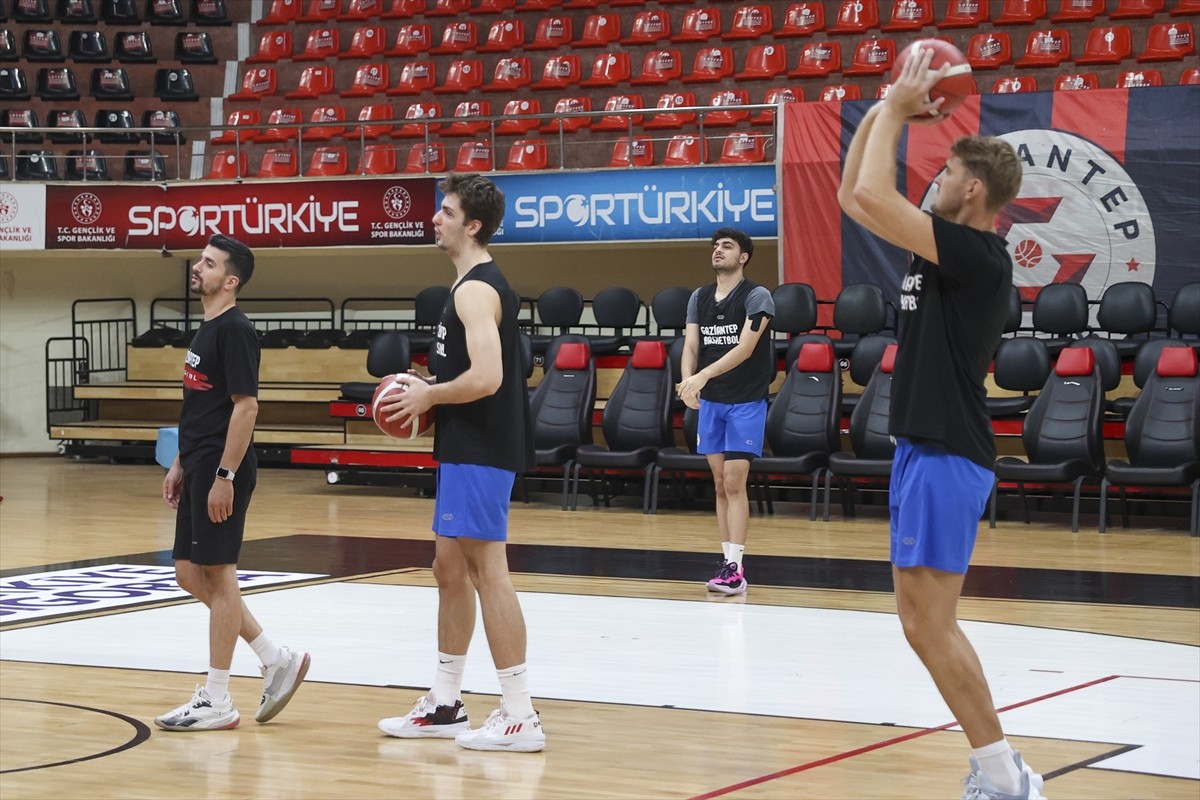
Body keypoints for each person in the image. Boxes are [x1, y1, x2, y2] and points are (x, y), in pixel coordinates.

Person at [837, 49, 1043, 800]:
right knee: (920, 625)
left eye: (947, 174)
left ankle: (1003, 772)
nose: (935, 181)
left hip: (949, 454)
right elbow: (853, 196)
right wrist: (884, 110)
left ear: (974, 189)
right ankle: (1000, 769)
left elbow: (870, 190)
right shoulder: (943, 244)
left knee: (933, 626)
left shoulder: (979, 256)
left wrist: (894, 106)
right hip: (924, 451)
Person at [376, 173, 543, 753]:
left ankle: (519, 713)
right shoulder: (468, 285)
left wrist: (428, 395)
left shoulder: (476, 290)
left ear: (472, 225)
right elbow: (465, 375)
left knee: (487, 572)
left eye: (445, 211)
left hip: (481, 449)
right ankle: (446, 703)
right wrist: (428, 385)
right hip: (463, 447)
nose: (435, 219)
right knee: (448, 569)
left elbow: (489, 378)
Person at [156, 234, 311, 731]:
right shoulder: (205, 329)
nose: (196, 268)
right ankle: (274, 657)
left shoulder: (236, 330)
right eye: (200, 260)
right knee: (188, 572)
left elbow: (247, 407)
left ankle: (218, 698)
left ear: (231, 279)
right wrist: (180, 463)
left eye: (208, 263)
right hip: (198, 464)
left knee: (220, 579)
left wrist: (222, 475)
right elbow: (200, 407)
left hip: (223, 468)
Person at [677, 228, 775, 596]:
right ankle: (726, 561)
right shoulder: (699, 297)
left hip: (746, 400)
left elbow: (746, 349)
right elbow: (691, 345)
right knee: (720, 484)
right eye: (715, 246)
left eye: (727, 246)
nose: (718, 250)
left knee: (735, 482)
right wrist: (689, 382)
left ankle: (736, 567)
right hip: (712, 402)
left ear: (743, 256)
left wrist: (701, 375)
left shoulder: (757, 296)